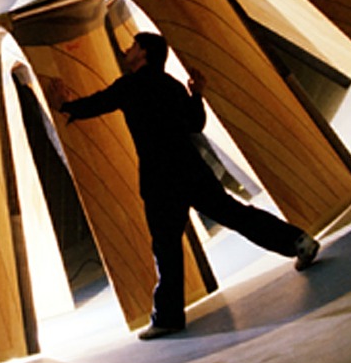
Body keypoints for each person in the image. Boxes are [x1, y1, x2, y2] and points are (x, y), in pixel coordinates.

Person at [47, 32, 319, 339]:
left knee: (167, 247)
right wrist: (197, 95)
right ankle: (298, 241)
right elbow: (195, 124)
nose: (127, 49)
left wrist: (63, 105)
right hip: (191, 169)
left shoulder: (131, 86)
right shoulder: (170, 85)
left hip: (160, 178)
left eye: (133, 46)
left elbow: (96, 104)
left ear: (145, 53)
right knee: (237, 215)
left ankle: (168, 317)